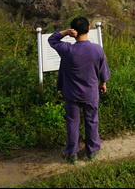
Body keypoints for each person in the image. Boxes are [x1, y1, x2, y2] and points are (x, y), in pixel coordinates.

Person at [48, 17, 110, 164]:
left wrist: (65, 32)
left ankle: (72, 153)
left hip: (71, 94)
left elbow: (52, 40)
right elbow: (103, 70)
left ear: (73, 33)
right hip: (91, 93)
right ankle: (92, 151)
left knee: (72, 123)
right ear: (89, 30)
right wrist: (103, 83)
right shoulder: (96, 49)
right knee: (92, 121)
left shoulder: (67, 50)